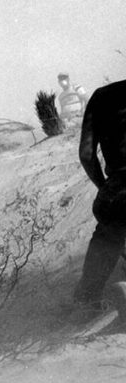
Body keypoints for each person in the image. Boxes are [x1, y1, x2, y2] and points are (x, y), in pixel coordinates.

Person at [73, 78, 126, 315]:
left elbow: (86, 154)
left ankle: (87, 301)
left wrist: (105, 187)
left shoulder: (102, 96)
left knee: (109, 237)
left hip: (115, 195)